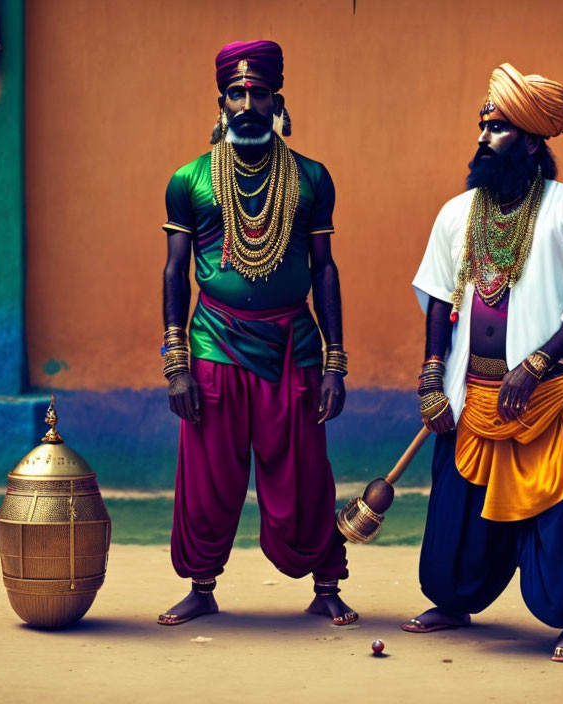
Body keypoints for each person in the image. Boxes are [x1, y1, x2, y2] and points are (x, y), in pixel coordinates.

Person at [404, 63, 563, 663]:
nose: (482, 138)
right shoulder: (456, 214)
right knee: (456, 509)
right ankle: (453, 601)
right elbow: (437, 298)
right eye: (481, 126)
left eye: (497, 128)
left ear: (531, 140)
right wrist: (431, 376)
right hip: (471, 392)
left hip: (547, 395)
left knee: (562, 505)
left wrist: (536, 365)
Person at [158, 40, 356, 627]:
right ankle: (201, 585)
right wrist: (176, 362)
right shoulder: (189, 179)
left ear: (277, 101)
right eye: (237, 93)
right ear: (221, 102)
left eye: (259, 93)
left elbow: (324, 269)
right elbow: (174, 271)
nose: (248, 102)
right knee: (207, 476)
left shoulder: (312, 177)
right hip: (213, 343)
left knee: (304, 472)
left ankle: (325, 584)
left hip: (292, 346)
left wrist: (335, 363)